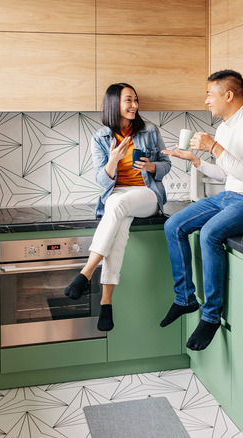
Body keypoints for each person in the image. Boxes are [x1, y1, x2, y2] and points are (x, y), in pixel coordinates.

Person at [160, 70, 243, 351]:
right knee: (173, 225)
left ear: (229, 95)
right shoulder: (226, 127)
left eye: (209, 94)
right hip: (231, 195)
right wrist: (195, 160)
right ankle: (185, 299)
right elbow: (228, 176)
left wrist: (213, 147)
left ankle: (211, 315)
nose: (206, 101)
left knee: (210, 234)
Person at [64, 83, 171, 331]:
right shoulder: (100, 137)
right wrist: (112, 160)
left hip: (148, 194)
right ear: (114, 104)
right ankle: (106, 302)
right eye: (128, 100)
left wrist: (151, 167)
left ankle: (87, 271)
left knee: (118, 204)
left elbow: (166, 163)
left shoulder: (150, 131)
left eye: (136, 100)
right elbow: (102, 181)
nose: (134, 105)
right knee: (119, 230)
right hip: (117, 196)